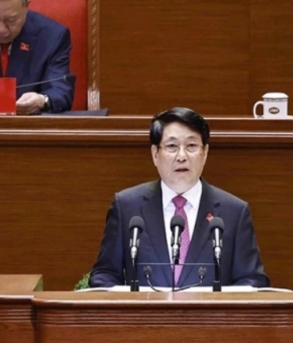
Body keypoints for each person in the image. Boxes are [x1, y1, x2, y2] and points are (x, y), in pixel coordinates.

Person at [88, 107, 269, 289]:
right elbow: (104, 276)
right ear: (155, 154)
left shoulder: (234, 212)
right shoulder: (127, 206)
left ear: (205, 152)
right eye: (172, 146)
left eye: (191, 146)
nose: (181, 156)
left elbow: (252, 281)